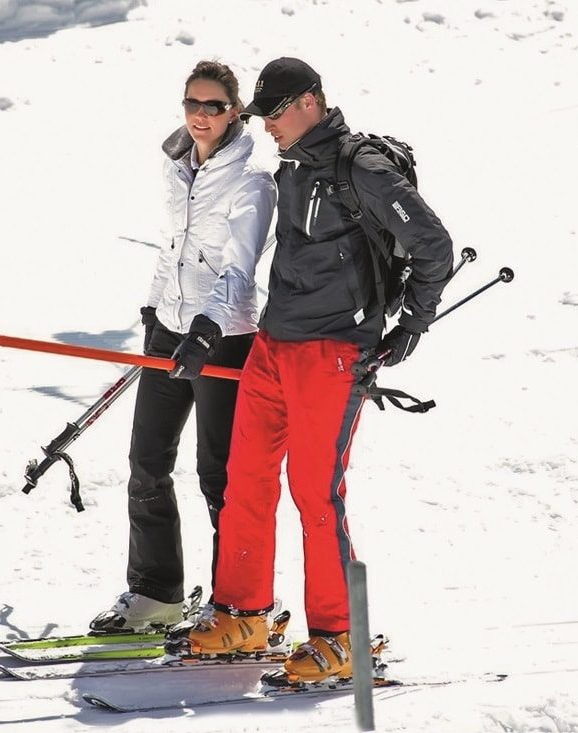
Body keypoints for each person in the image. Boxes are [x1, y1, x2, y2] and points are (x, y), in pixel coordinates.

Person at [178, 57, 455, 682]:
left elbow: (434, 245)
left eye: (276, 112)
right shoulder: (293, 165)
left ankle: (341, 636)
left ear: (311, 102)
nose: (267, 125)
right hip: (273, 345)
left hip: (333, 353)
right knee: (245, 479)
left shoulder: (363, 168)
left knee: (315, 494)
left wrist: (412, 323)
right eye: (262, 115)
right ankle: (244, 613)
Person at [89, 61, 277, 633]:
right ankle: (156, 594)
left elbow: (238, 270)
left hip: (224, 339)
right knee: (147, 462)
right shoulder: (177, 165)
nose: (200, 115)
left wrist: (206, 329)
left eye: (213, 106)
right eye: (192, 103)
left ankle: (235, 602)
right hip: (170, 330)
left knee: (220, 476)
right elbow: (173, 248)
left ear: (235, 111)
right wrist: (155, 307)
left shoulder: (252, 181)